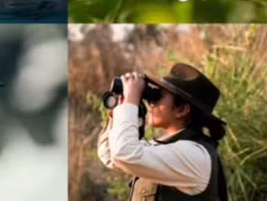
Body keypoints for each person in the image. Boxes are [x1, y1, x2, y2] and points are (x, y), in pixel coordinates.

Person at [97, 63, 228, 200]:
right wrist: (122, 107)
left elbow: (123, 153)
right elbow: (109, 154)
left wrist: (131, 100)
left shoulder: (195, 155)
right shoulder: (166, 146)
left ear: (182, 110)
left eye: (160, 95)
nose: (151, 102)